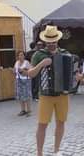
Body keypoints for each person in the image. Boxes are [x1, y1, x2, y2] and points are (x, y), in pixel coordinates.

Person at [28, 25, 69, 156]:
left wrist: (76, 78)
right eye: (49, 42)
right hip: (46, 94)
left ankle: (57, 151)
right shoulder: (38, 55)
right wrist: (41, 64)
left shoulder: (64, 53)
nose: (51, 44)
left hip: (62, 94)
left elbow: (72, 73)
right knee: (42, 124)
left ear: (57, 40)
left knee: (61, 122)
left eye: (54, 42)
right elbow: (30, 74)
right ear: (45, 41)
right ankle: (39, 153)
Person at [14, 51, 32, 117]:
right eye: (19, 55)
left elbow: (31, 71)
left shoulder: (26, 62)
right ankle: (23, 110)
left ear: (24, 56)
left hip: (26, 80)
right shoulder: (16, 62)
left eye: (21, 55)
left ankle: (29, 111)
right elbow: (14, 71)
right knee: (20, 95)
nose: (20, 56)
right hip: (18, 80)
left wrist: (23, 70)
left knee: (27, 95)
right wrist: (13, 71)